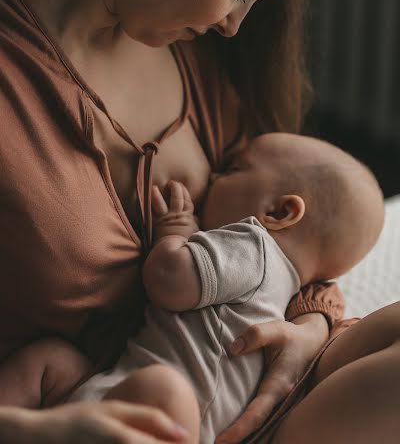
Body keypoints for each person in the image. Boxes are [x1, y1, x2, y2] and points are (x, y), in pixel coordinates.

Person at [0, 0, 399, 442]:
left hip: (255, 384)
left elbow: (290, 228)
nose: (237, 24)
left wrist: (312, 323)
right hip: (118, 412)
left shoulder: (195, 47)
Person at [0, 133, 385, 444]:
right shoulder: (285, 286)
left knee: (160, 386)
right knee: (54, 359)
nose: (213, 178)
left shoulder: (254, 246)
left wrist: (176, 230)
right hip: (119, 394)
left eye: (233, 169)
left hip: (168, 422)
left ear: (279, 213)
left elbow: (170, 280)